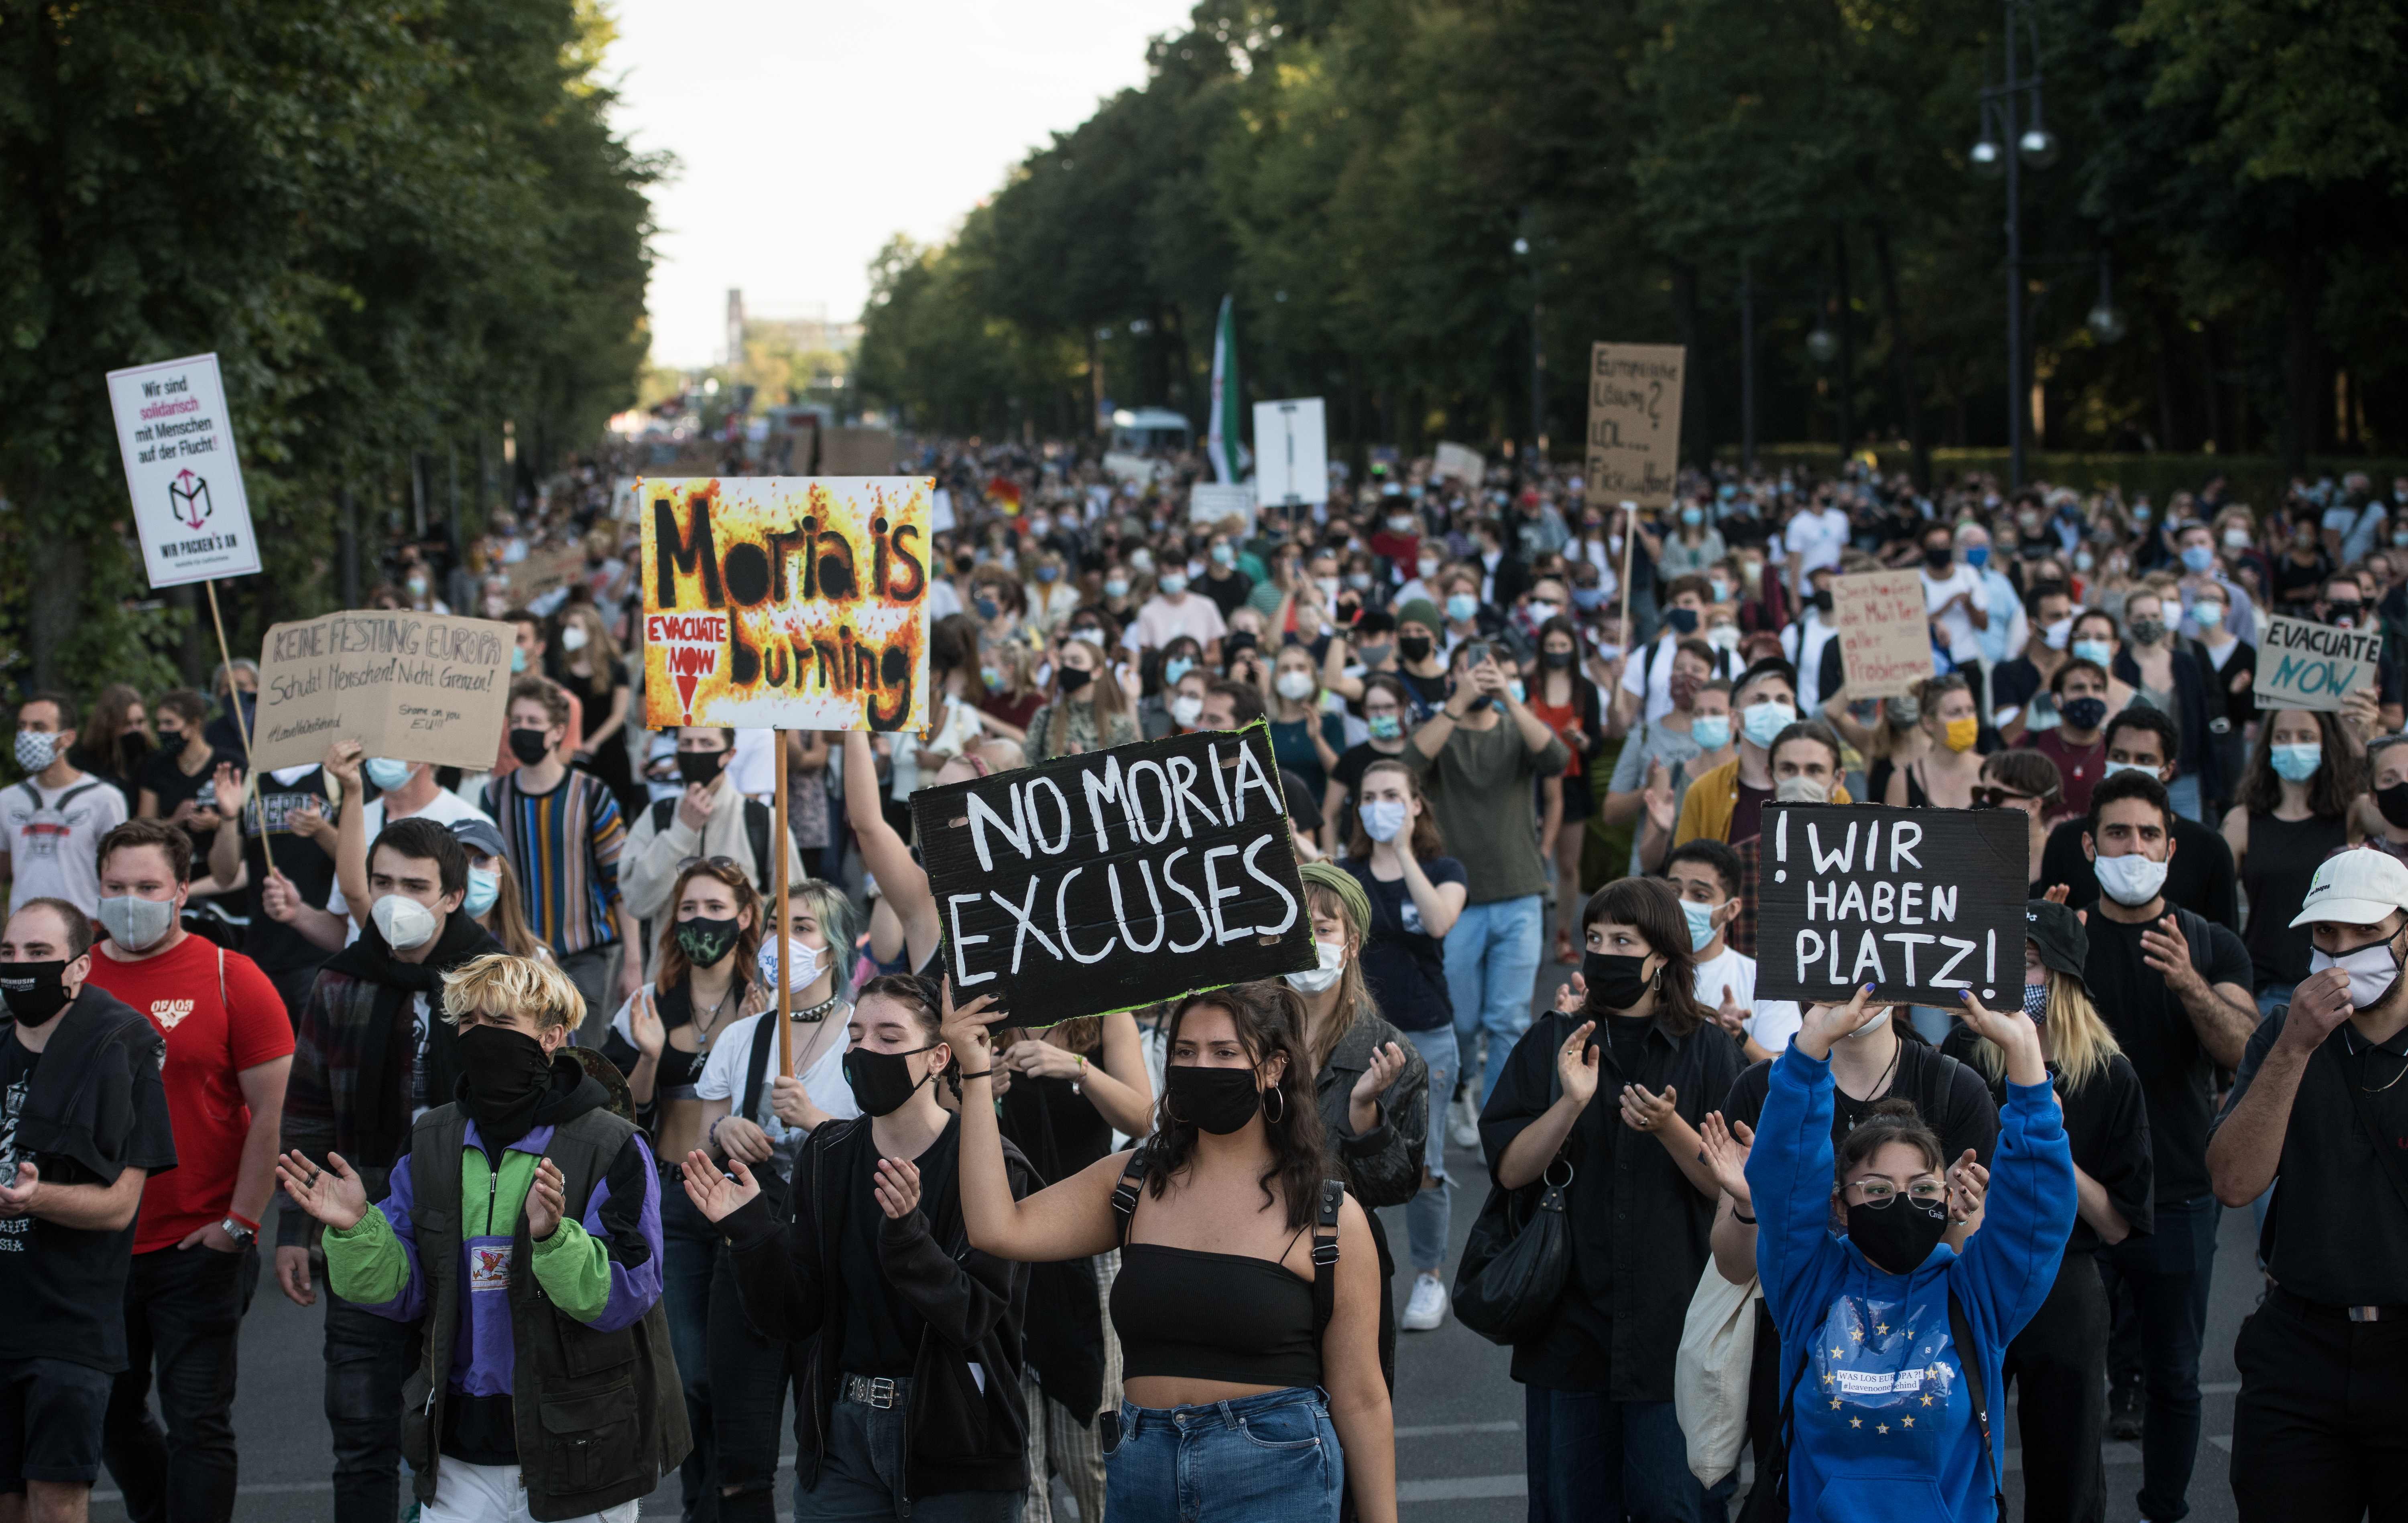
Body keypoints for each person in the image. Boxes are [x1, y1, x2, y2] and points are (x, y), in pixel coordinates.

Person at [940, 977, 1397, 1523]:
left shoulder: (1329, 1216)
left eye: (1224, 1052)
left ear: (1274, 1068)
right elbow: (997, 1228)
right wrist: (974, 1075)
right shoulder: (1132, 1183)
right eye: (1185, 1051)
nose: (1201, 1066)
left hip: (1276, 1476)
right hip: (1144, 1475)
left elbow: (1362, 1398)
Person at [277, 951, 687, 1523]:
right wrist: (355, 1228)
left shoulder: (612, 1144)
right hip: (458, 1450)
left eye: (500, 1022)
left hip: (582, 1449)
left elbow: (626, 1295)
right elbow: (403, 1292)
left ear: (551, 1037)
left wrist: (554, 1240)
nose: (481, 1035)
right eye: (469, 1021)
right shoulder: (430, 1139)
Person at [682, 973, 1035, 1521]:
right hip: (842, 1443)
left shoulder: (991, 1165)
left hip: (958, 1444)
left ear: (938, 1057)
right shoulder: (827, 1154)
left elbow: (975, 1315)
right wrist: (750, 1231)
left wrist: (908, 1236)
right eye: (855, 1036)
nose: (865, 1050)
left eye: (889, 1038)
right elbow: (795, 1313)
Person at [1733, 982, 2073, 1523]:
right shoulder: (1810, 1285)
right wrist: (1811, 1046)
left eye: (1922, 1190)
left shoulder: (1975, 1299)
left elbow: (2036, 1217)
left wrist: (2026, 1059)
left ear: (1948, 1200)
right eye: (1877, 1190)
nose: (1900, 1203)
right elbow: (1784, 1183)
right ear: (1840, 1206)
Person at [1481, 876, 1742, 1523]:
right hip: (1568, 1333)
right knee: (1570, 1508)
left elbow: (1731, 1188)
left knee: (1675, 1508)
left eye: (1623, 941)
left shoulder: (1710, 1051)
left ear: (1663, 957)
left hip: (1675, 1337)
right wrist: (1570, 1104)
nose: (1603, 953)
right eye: (1594, 938)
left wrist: (1672, 1130)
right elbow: (1511, 1171)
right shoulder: (1553, 1041)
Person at [272, 816, 503, 1523]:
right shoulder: (341, 981)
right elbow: (308, 1111)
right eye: (382, 882)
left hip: (473, 1228)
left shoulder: (499, 982)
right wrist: (295, 1230)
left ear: (454, 897)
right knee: (361, 1428)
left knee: (472, 1428)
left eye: (415, 885)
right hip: (364, 1224)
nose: (396, 898)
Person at [83, 820, 292, 1523]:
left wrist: (240, 1224)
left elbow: (273, 1111)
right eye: (116, 886)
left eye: (148, 887)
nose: (130, 901)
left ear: (181, 891)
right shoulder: (73, 980)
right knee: (108, 1409)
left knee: (199, 1420)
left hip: (198, 1245)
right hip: (95, 1246)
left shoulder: (234, 977)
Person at [2069, 769, 2256, 1519]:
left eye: (2150, 835)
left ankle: (2165, 1509)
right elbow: (2007, 1039)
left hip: (2176, 1191)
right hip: (2073, 1193)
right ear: (2090, 847)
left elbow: (2243, 1050)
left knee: (2176, 1374)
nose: (2134, 849)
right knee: (2068, 1375)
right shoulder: (2064, 938)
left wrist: (2189, 983)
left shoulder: (2207, 943)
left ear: (2172, 849)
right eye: (2118, 834)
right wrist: (2045, 965)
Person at [2208, 847, 2408, 1523]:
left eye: (2366, 931)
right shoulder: (2283, 1034)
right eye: (2327, 932)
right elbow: (2233, 1181)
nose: (2344, 951)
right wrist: (2294, 1047)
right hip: (2301, 1343)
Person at [1940, 902, 2154, 1523]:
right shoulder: (1963, 1051)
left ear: (2064, 980)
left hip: (2064, 1284)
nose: (2013, 979)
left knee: (2067, 1472)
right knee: (1956, 1454)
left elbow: (2118, 1224)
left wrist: (2049, 1146)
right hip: (1973, 1272)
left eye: (2028, 964)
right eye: (2004, 963)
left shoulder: (2111, 1076)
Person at [0, 898, 177, 1523]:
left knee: (55, 1501)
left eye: (39, 953)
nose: (20, 966)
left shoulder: (124, 1050)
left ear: (78, 967)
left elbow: (119, 1206)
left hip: (69, 1325)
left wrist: (34, 1198)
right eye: (8, 953)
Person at [988, 1000, 1154, 1523]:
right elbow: (943, 1113)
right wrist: (975, 1085)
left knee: (1091, 1452)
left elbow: (1143, 1117)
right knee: (1019, 1455)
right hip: (1005, 1249)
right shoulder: (985, 1018)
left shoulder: (1105, 1015)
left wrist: (1079, 1069)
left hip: (1088, 1246)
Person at [1406, 640, 1568, 1103]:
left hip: (1519, 892)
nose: (1479, 675)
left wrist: (1510, 700)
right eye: (1468, 668)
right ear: (1452, 676)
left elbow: (1557, 759)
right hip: (1456, 900)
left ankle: (1495, 1120)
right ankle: (1460, 1092)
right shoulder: (1439, 729)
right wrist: (1456, 703)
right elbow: (1407, 769)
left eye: (1490, 669)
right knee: (1460, 1019)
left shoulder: (1518, 727)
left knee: (1509, 1020)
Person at [1339, 759, 1467, 1332]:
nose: (1379, 806)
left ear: (1416, 804)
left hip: (1426, 1034)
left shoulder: (1444, 868)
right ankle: (1352, 1275)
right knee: (1349, 1157)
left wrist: (1403, 851)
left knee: (1425, 1164)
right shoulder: (1348, 872)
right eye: (1369, 797)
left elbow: (1438, 922)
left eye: (1392, 795)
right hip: (1358, 1035)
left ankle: (1429, 1276)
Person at [1290, 862, 1426, 1387]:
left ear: (1351, 944)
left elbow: (1396, 1186)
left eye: (1322, 929)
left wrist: (1364, 1115)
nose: (1307, 941)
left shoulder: (1390, 1053)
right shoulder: (1242, 1038)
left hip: (1343, 1265)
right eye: (1295, 926)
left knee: (1351, 1408)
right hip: (1249, 1258)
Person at [484, 676, 641, 1044]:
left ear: (557, 732)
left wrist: (633, 963)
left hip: (583, 957)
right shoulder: (494, 796)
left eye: (533, 722)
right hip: (517, 956)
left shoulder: (591, 794)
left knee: (582, 1061)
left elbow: (620, 882)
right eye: (516, 722)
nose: (523, 730)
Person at [616, 727, 805, 971]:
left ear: (729, 754)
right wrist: (681, 832)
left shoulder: (763, 822)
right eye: (687, 744)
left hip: (745, 982)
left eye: (707, 744)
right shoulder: (656, 818)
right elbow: (636, 902)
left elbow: (794, 909)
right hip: (668, 979)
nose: (695, 752)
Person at [2035, 708, 2241, 930]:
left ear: (2168, 770)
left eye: (2144, 759)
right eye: (2119, 757)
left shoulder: (2209, 849)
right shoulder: (2065, 840)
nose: (2130, 766)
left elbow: (2224, 940)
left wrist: (2187, 956)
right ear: (2089, 845)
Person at [2223, 708, 2360, 1014]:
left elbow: (2395, 812)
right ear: (2267, 745)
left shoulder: (2353, 814)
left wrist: (2367, 733)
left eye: (2306, 737)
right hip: (2264, 990)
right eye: (2282, 737)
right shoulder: (2241, 821)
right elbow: (2215, 905)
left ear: (2327, 744)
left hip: (2339, 988)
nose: (2293, 746)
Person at [1666, 839, 1798, 1065]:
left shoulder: (1764, 982)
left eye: (1700, 895)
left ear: (1731, 909)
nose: (1681, 903)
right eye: (1674, 891)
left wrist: (1739, 1037)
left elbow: (1787, 1071)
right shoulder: (1643, 967)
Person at [1527, 617, 1608, 967]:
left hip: (1573, 782)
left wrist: (1582, 740)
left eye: (1563, 646)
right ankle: (1529, 938)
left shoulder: (1585, 690)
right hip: (1530, 783)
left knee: (1568, 865)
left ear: (1573, 649)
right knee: (1532, 862)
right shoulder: (1529, 684)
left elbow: (1597, 746)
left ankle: (1563, 935)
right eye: (1551, 646)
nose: (1557, 652)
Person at [5, 692, 130, 919]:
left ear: (68, 738)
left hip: (85, 927)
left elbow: (120, 872)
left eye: (39, 728)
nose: (27, 736)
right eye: (22, 727)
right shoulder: (7, 799)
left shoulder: (105, 798)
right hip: (22, 929)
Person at [1672, 659, 1806, 849]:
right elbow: (1685, 864)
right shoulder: (1703, 792)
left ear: (1794, 712)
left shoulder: (1825, 789)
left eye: (1782, 700)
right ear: (1734, 717)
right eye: (1760, 700)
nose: (1773, 708)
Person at [2112, 589, 2219, 822]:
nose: (2148, 623)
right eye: (2141, 617)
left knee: (2187, 838)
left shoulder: (2185, 664)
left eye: (2154, 616)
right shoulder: (2120, 667)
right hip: (2136, 775)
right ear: (2128, 622)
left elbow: (2201, 722)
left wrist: (2211, 782)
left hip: (2184, 775)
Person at [551, 603, 638, 815]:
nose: (568, 632)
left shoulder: (616, 668)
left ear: (591, 631)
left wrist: (593, 743)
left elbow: (619, 715)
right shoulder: (561, 668)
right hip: (571, 755)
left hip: (609, 754)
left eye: (575, 627)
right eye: (567, 627)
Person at [2186, 579, 2253, 819]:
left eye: (2213, 599)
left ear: (2227, 608)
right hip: (2195, 740)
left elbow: (2251, 712)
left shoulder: (2245, 653)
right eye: (2200, 599)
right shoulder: (2187, 650)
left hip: (2230, 741)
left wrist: (2238, 694)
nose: (2206, 604)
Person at [1023, 634, 1140, 763]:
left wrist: (1085, 765)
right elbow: (1027, 765)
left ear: (1097, 672)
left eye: (1076, 661)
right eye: (1062, 661)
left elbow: (1134, 766)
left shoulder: (1119, 725)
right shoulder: (1045, 717)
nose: (1067, 666)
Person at [2016, 659, 2111, 818]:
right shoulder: (2029, 745)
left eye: (2097, 688)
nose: (2089, 695)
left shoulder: (2117, 750)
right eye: (2078, 688)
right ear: (2057, 700)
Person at [1881, 674, 1989, 809]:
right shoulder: (1903, 781)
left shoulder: (1994, 775)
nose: (1967, 719)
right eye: (1955, 712)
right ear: (1928, 723)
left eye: (1971, 710)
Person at [1977, 750, 2064, 892]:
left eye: (1996, 796)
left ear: (2034, 806)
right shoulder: (1973, 856)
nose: (1984, 802)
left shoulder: (2064, 863)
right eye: (1980, 793)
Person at [69, 685, 151, 813]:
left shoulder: (149, 759)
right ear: (109, 724)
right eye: (127, 724)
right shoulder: (83, 760)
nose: (136, 729)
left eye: (140, 722)